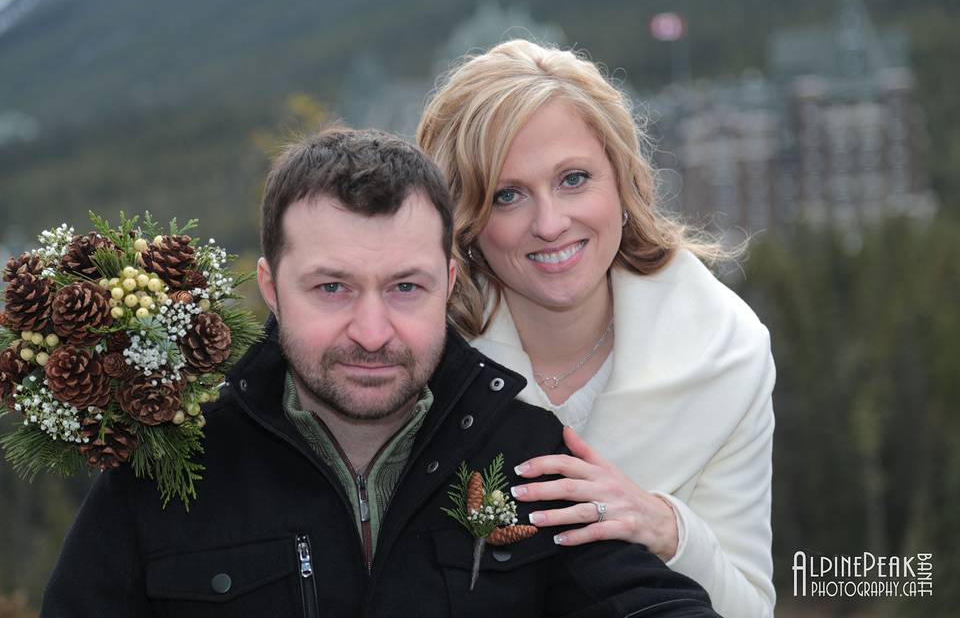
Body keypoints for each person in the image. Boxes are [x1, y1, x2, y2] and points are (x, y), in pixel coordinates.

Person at [41, 128, 720, 617]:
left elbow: (644, 604)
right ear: (272, 290)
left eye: (405, 288)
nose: (372, 333)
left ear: (448, 284)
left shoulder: (527, 456)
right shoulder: (164, 475)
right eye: (332, 288)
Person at [417, 39, 776, 617]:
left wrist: (667, 526)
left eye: (574, 179)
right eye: (508, 195)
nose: (551, 223)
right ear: (466, 222)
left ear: (623, 181)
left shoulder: (726, 353)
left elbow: (750, 608)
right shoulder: (418, 355)